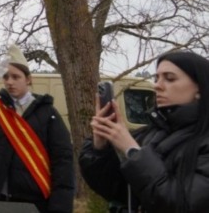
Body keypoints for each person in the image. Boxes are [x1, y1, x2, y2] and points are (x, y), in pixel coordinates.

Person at [79, 50, 209, 212]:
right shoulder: (148, 134)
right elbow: (115, 190)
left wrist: (133, 151)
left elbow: (183, 204)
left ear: (199, 88)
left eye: (170, 78)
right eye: (156, 78)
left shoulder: (204, 141)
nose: (157, 85)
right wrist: (100, 148)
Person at [0, 44, 74, 212]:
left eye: (16, 77)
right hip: (2, 198)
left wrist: (60, 207)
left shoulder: (48, 113)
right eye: (5, 77)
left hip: (36, 201)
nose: (10, 82)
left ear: (28, 79)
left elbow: (62, 160)